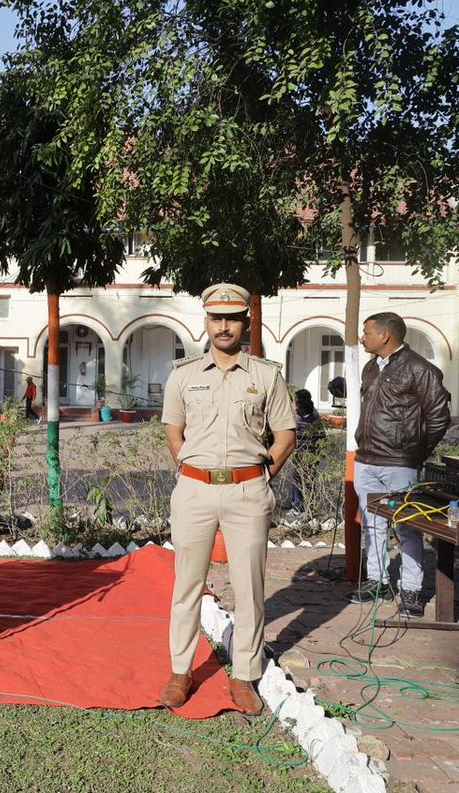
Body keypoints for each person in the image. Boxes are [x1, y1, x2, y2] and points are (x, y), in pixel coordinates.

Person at [158, 284, 296, 715]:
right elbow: (173, 430)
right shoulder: (183, 375)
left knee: (250, 589)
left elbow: (286, 434)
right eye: (216, 318)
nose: (223, 326)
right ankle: (181, 671)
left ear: (245, 323)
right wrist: (191, 469)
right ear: (206, 323)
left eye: (231, 318)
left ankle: (244, 675)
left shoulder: (266, 375)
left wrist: (259, 475)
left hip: (247, 492)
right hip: (195, 490)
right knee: (186, 586)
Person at [348, 312, 451, 619]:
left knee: (408, 527)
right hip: (367, 459)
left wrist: (415, 451)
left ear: (385, 336)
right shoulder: (371, 366)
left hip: (400, 462)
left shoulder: (420, 369)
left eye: (366, 332)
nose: (362, 337)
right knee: (372, 524)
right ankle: (376, 581)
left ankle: (411, 590)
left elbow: (438, 418)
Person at [287, 390, 321, 513]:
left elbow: (320, 439)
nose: (295, 409)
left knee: (306, 481)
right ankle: (295, 503)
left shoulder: (313, 420)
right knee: (296, 479)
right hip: (299, 454)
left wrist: (316, 456)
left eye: (297, 406)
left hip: (308, 456)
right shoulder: (300, 418)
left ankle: (303, 506)